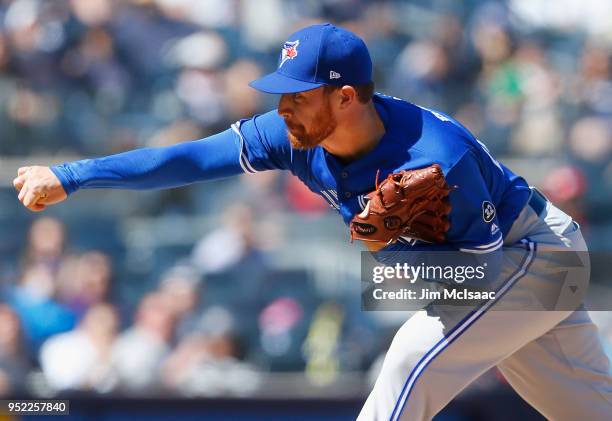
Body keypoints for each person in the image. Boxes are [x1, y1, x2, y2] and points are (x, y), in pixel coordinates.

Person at [12, 23, 612, 420]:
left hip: (533, 257)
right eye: (283, 93)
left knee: (408, 358)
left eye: (299, 94)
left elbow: (475, 282)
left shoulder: (437, 156)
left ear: (346, 98)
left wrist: (390, 252)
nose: (284, 107)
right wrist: (73, 175)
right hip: (510, 276)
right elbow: (189, 158)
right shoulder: (292, 133)